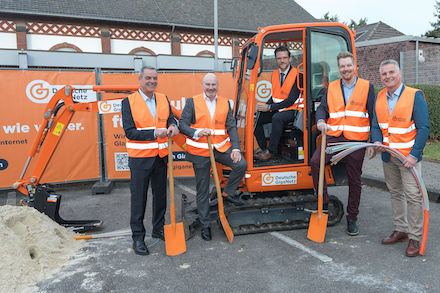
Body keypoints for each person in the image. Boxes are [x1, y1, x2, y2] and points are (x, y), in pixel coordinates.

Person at [309, 51, 375, 236]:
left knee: (354, 179)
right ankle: (323, 201)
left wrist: (373, 142)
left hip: (356, 139)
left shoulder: (366, 87)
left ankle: (352, 218)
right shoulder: (332, 87)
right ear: (339, 69)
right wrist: (321, 120)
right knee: (316, 162)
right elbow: (322, 108)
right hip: (335, 136)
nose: (345, 69)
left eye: (348, 65)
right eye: (342, 66)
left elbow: (374, 115)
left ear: (355, 66)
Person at [369, 59, 429, 257]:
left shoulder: (414, 95)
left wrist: (414, 155)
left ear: (399, 73)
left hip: (408, 158)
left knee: (413, 196)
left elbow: (423, 128)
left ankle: (414, 237)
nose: (388, 76)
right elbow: (376, 126)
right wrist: (377, 142)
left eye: (391, 72)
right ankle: (400, 229)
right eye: (384, 74)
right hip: (388, 157)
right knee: (395, 193)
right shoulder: (379, 97)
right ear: (381, 77)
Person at [179, 73, 247, 241]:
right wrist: (196, 132)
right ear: (203, 86)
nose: (210, 87)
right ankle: (205, 225)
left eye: (213, 85)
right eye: (208, 84)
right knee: (202, 190)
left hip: (221, 148)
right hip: (200, 151)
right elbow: (182, 125)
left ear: (217, 86)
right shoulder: (192, 102)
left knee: (241, 165)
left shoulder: (225, 103)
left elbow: (231, 127)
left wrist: (236, 148)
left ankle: (227, 194)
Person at [121, 66, 179, 255]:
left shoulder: (163, 98)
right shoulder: (128, 102)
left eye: (154, 78)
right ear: (140, 79)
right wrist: (155, 133)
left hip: (160, 158)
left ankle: (158, 228)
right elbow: (130, 132)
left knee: (160, 197)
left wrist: (172, 125)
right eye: (148, 78)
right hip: (139, 160)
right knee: (139, 200)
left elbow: (170, 118)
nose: (152, 81)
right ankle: (138, 238)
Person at [254, 45, 303, 161]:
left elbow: (291, 99)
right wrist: (264, 106)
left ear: (290, 59)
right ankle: (264, 148)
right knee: (256, 118)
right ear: (276, 60)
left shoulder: (298, 75)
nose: (282, 61)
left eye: (285, 58)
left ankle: (271, 151)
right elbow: (276, 95)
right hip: (280, 108)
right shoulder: (275, 74)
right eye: (279, 58)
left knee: (277, 117)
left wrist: (269, 107)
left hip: (294, 109)